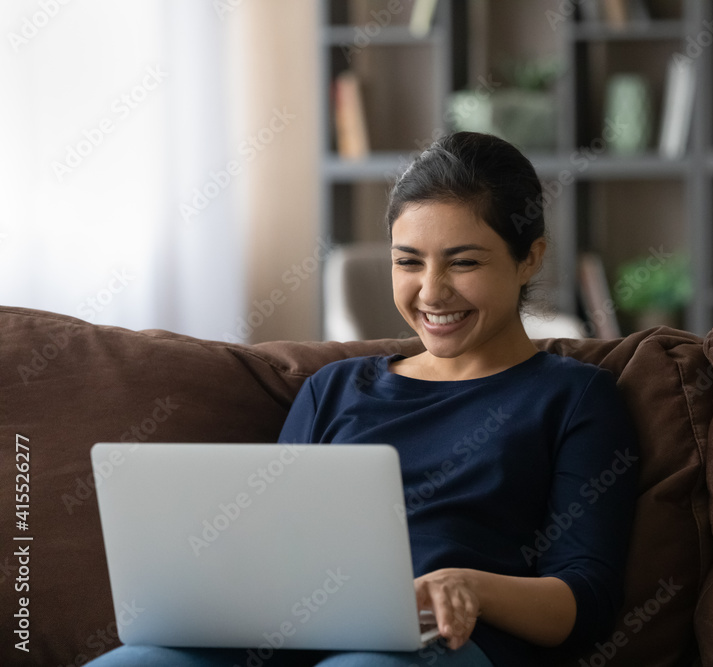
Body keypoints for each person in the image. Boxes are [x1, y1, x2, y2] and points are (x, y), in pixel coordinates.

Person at [87, 132, 638, 667]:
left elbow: (585, 600)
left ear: (529, 259)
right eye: (408, 261)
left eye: (464, 262)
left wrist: (466, 586)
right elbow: (275, 554)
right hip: (289, 640)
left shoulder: (574, 397)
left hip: (446, 645)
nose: (431, 291)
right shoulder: (334, 389)